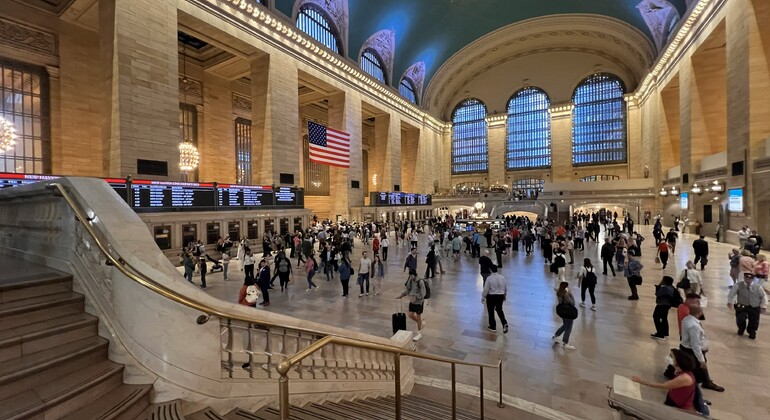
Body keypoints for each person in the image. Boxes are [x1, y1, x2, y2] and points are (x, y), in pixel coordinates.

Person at [632, 349, 698, 413]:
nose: (668, 357)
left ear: (677, 361)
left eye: (671, 356)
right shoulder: (679, 371)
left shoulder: (684, 378)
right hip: (673, 397)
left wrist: (641, 381)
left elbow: (664, 385)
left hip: (677, 403)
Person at [680, 304, 724, 392]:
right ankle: (695, 392)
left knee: (700, 370)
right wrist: (701, 359)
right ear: (700, 312)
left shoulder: (686, 319)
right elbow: (695, 344)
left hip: (686, 347)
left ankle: (706, 381)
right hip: (692, 351)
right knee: (696, 372)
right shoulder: (694, 326)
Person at [727, 272, 768, 339]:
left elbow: (764, 297)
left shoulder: (758, 287)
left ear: (753, 279)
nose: (748, 279)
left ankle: (752, 331)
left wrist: (763, 306)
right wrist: (730, 302)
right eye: (746, 277)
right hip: (742, 305)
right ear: (744, 277)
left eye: (750, 278)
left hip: (754, 306)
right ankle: (741, 328)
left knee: (754, 320)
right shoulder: (738, 285)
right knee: (740, 318)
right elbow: (731, 294)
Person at [396, 272, 427, 341]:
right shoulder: (410, 280)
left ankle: (419, 332)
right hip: (412, 301)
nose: (410, 277)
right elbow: (407, 289)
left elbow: (423, 293)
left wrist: (415, 296)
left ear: (414, 275)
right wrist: (401, 295)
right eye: (409, 275)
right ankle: (421, 323)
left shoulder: (420, 282)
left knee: (418, 316)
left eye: (411, 275)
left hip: (419, 302)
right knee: (410, 314)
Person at [482, 266, 508, 333]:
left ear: (490, 270)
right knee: (499, 310)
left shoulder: (489, 278)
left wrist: (483, 296)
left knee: (491, 311)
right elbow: (505, 287)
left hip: (491, 296)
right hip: (500, 296)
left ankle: (493, 326)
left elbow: (486, 289)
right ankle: (504, 322)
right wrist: (504, 295)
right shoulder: (502, 277)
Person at [552, 282, 577, 350]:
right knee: (568, 328)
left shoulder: (558, 292)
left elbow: (555, 289)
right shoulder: (566, 294)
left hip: (562, 312)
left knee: (565, 325)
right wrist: (571, 294)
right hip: (568, 312)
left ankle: (556, 335)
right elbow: (573, 303)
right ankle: (565, 343)